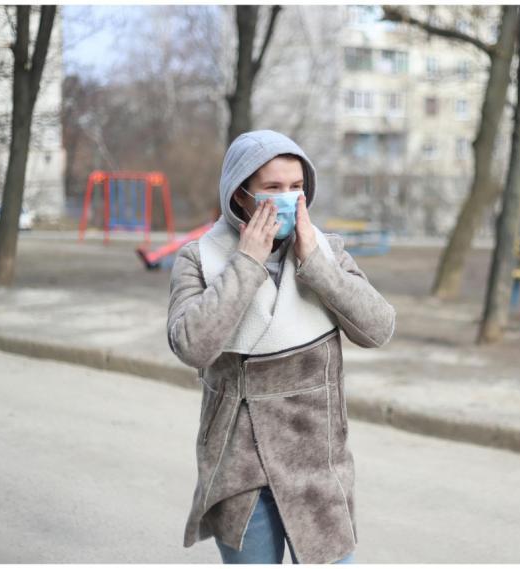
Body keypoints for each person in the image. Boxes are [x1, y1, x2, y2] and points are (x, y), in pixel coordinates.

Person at [167, 129, 396, 564]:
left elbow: (379, 327)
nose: (288, 198)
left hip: (318, 464)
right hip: (239, 470)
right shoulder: (200, 257)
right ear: (241, 195)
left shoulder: (326, 250)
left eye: (296, 188)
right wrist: (248, 263)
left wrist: (317, 265)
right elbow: (191, 345)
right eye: (273, 188)